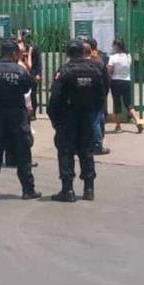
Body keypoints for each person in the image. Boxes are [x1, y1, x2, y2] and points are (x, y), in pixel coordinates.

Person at [0, 39, 41, 200]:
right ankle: (28, 189)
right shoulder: (21, 71)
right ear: (14, 53)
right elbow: (27, 88)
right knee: (23, 155)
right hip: (17, 117)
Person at [48, 39, 107, 202]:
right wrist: (93, 112)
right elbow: (101, 96)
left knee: (66, 152)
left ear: (67, 53)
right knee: (86, 152)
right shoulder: (93, 70)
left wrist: (54, 118)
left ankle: (68, 190)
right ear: (83, 52)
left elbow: (55, 97)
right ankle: (89, 189)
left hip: (68, 118)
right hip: (87, 117)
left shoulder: (65, 71)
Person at [108, 39, 143, 134]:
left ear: (116, 46)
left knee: (117, 103)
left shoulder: (113, 57)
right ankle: (138, 121)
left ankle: (118, 126)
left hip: (116, 81)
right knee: (128, 104)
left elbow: (109, 70)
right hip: (126, 81)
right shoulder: (128, 56)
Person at [84, 38, 111, 156]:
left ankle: (96, 145)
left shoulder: (90, 62)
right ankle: (98, 142)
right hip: (99, 95)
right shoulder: (100, 60)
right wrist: (104, 93)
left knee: (95, 120)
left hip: (91, 96)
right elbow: (107, 79)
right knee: (99, 119)